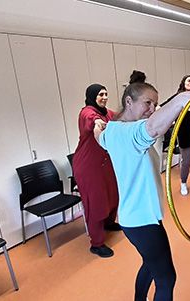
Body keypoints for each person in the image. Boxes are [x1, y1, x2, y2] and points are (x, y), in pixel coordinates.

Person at [94, 82, 190, 301]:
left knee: (151, 265)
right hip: (141, 221)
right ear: (129, 101)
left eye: (155, 103)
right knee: (167, 279)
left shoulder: (111, 130)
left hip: (138, 217)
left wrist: (97, 127)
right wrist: (183, 99)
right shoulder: (129, 133)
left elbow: (100, 137)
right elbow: (152, 128)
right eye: (147, 103)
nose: (152, 108)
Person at [72, 83, 120, 258]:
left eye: (106, 93)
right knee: (96, 203)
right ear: (92, 96)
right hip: (88, 167)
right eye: (101, 94)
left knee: (113, 195)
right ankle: (97, 243)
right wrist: (97, 122)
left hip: (105, 164)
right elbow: (91, 119)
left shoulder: (107, 113)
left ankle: (108, 223)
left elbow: (120, 117)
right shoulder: (87, 112)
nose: (104, 97)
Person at [160, 74, 190, 196]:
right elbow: (163, 106)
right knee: (186, 160)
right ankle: (183, 182)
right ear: (183, 82)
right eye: (189, 81)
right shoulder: (178, 96)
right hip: (183, 132)